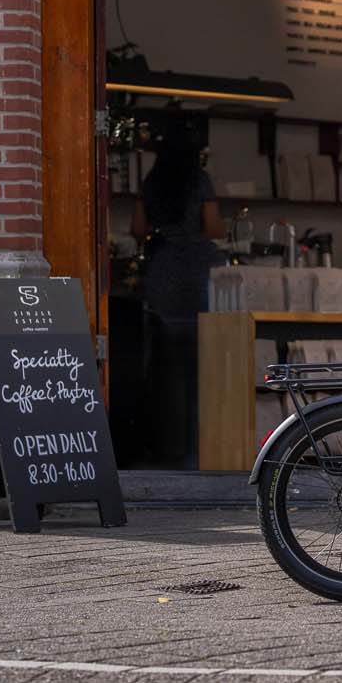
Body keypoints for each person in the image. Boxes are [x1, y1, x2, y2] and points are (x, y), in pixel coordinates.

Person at [132, 131, 223, 463]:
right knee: (200, 368)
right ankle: (197, 448)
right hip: (197, 273)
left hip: (162, 272)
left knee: (163, 369)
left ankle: (165, 447)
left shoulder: (151, 180)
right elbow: (214, 228)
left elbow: (138, 228)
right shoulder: (200, 180)